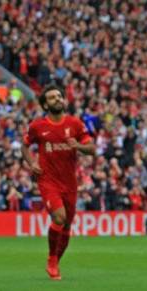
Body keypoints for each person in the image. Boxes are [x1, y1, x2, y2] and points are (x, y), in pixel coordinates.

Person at [22, 84, 95, 280]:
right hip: (48, 181)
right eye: (53, 98)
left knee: (67, 227)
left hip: (69, 183)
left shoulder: (75, 124)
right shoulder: (38, 126)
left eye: (59, 96)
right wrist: (31, 163)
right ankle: (52, 259)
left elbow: (92, 149)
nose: (58, 99)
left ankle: (55, 261)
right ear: (45, 104)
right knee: (59, 218)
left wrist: (78, 145)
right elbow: (25, 146)